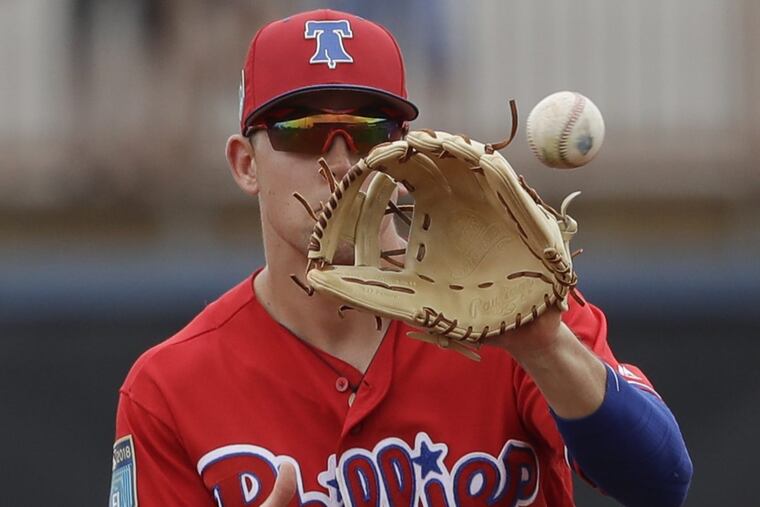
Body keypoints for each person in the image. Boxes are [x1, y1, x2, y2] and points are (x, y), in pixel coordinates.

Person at [109, 8, 692, 507]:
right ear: (244, 163)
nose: (339, 161)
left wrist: (544, 347)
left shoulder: (507, 303)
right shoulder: (168, 390)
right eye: (304, 130)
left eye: (368, 132)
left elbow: (659, 480)